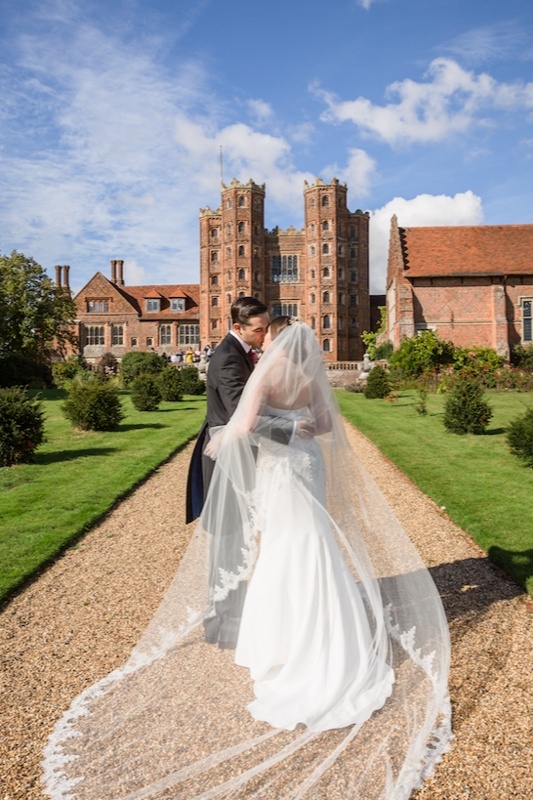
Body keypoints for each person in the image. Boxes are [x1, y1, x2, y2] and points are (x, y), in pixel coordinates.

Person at [42, 320, 451, 800]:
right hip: (306, 461)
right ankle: (332, 644)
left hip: (280, 468)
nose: (264, 341)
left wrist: (235, 435)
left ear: (275, 339)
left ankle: (275, 646)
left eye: (268, 335)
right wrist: (298, 426)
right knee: (314, 544)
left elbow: (243, 420)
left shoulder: (271, 367)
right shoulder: (308, 371)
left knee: (281, 548)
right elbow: (324, 424)